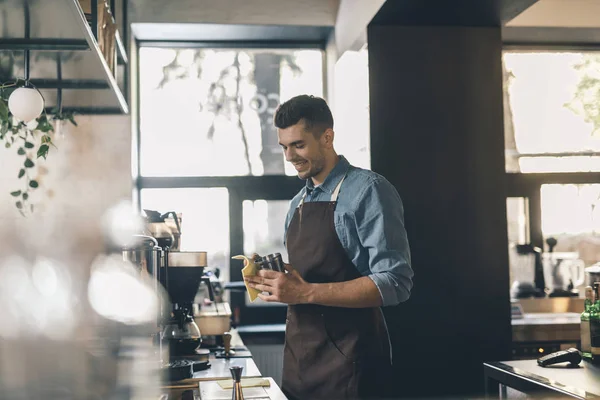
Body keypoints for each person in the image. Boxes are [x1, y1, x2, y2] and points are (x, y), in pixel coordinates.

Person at [245, 95, 413, 400]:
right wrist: (281, 278)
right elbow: (308, 277)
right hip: (300, 363)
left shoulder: (368, 191)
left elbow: (395, 282)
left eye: (298, 145)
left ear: (327, 137)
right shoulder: (298, 203)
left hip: (353, 366)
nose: (289, 156)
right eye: (284, 147)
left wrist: (305, 292)